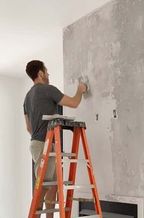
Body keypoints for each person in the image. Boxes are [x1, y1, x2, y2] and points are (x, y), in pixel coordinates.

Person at [23, 60, 87, 218]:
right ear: (40, 73)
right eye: (46, 71)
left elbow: (28, 128)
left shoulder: (27, 97)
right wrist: (80, 89)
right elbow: (74, 102)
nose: (48, 74)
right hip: (44, 144)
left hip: (39, 143)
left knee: (52, 187)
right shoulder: (47, 90)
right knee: (43, 188)